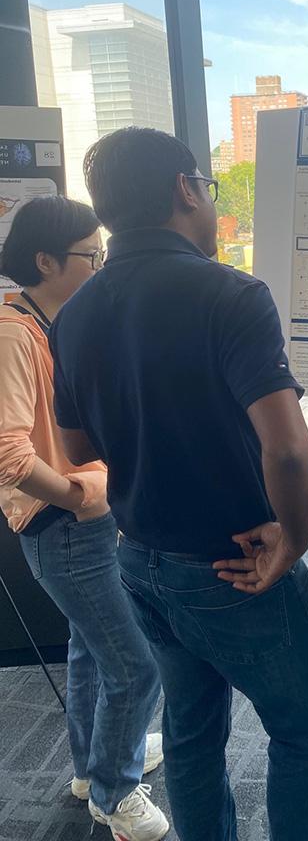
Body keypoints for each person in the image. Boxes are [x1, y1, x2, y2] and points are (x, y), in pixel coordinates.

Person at [48, 127, 308, 841]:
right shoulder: (232, 294)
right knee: (301, 732)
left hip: (138, 559)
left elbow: (75, 445)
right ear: (185, 189)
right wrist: (293, 540)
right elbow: (291, 454)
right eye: (206, 187)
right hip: (237, 563)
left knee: (191, 731)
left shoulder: (75, 309)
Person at [0, 196, 168, 841]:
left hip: (86, 521)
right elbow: (8, 452)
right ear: (45, 261)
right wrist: (76, 496)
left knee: (91, 652)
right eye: (89, 256)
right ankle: (114, 793)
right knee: (136, 664)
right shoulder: (14, 333)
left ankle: (91, 769)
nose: (100, 265)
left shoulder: (53, 321)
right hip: (62, 526)